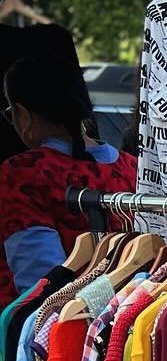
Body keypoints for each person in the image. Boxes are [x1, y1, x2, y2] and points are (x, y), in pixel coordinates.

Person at [0, 58, 136, 308]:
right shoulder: (133, 168)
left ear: (22, 115)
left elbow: (41, 283)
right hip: (130, 310)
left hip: (56, 326)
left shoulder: (24, 174)